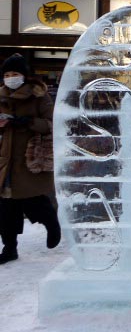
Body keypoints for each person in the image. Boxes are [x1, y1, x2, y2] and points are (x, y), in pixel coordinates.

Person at [0, 53, 60, 264]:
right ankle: (9, 248)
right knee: (6, 207)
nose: (10, 77)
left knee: (33, 200)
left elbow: (52, 124)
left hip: (30, 157)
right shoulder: (1, 96)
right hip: (5, 159)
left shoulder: (39, 96)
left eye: (14, 73)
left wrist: (27, 122)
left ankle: (51, 223)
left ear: (24, 75)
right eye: (7, 74)